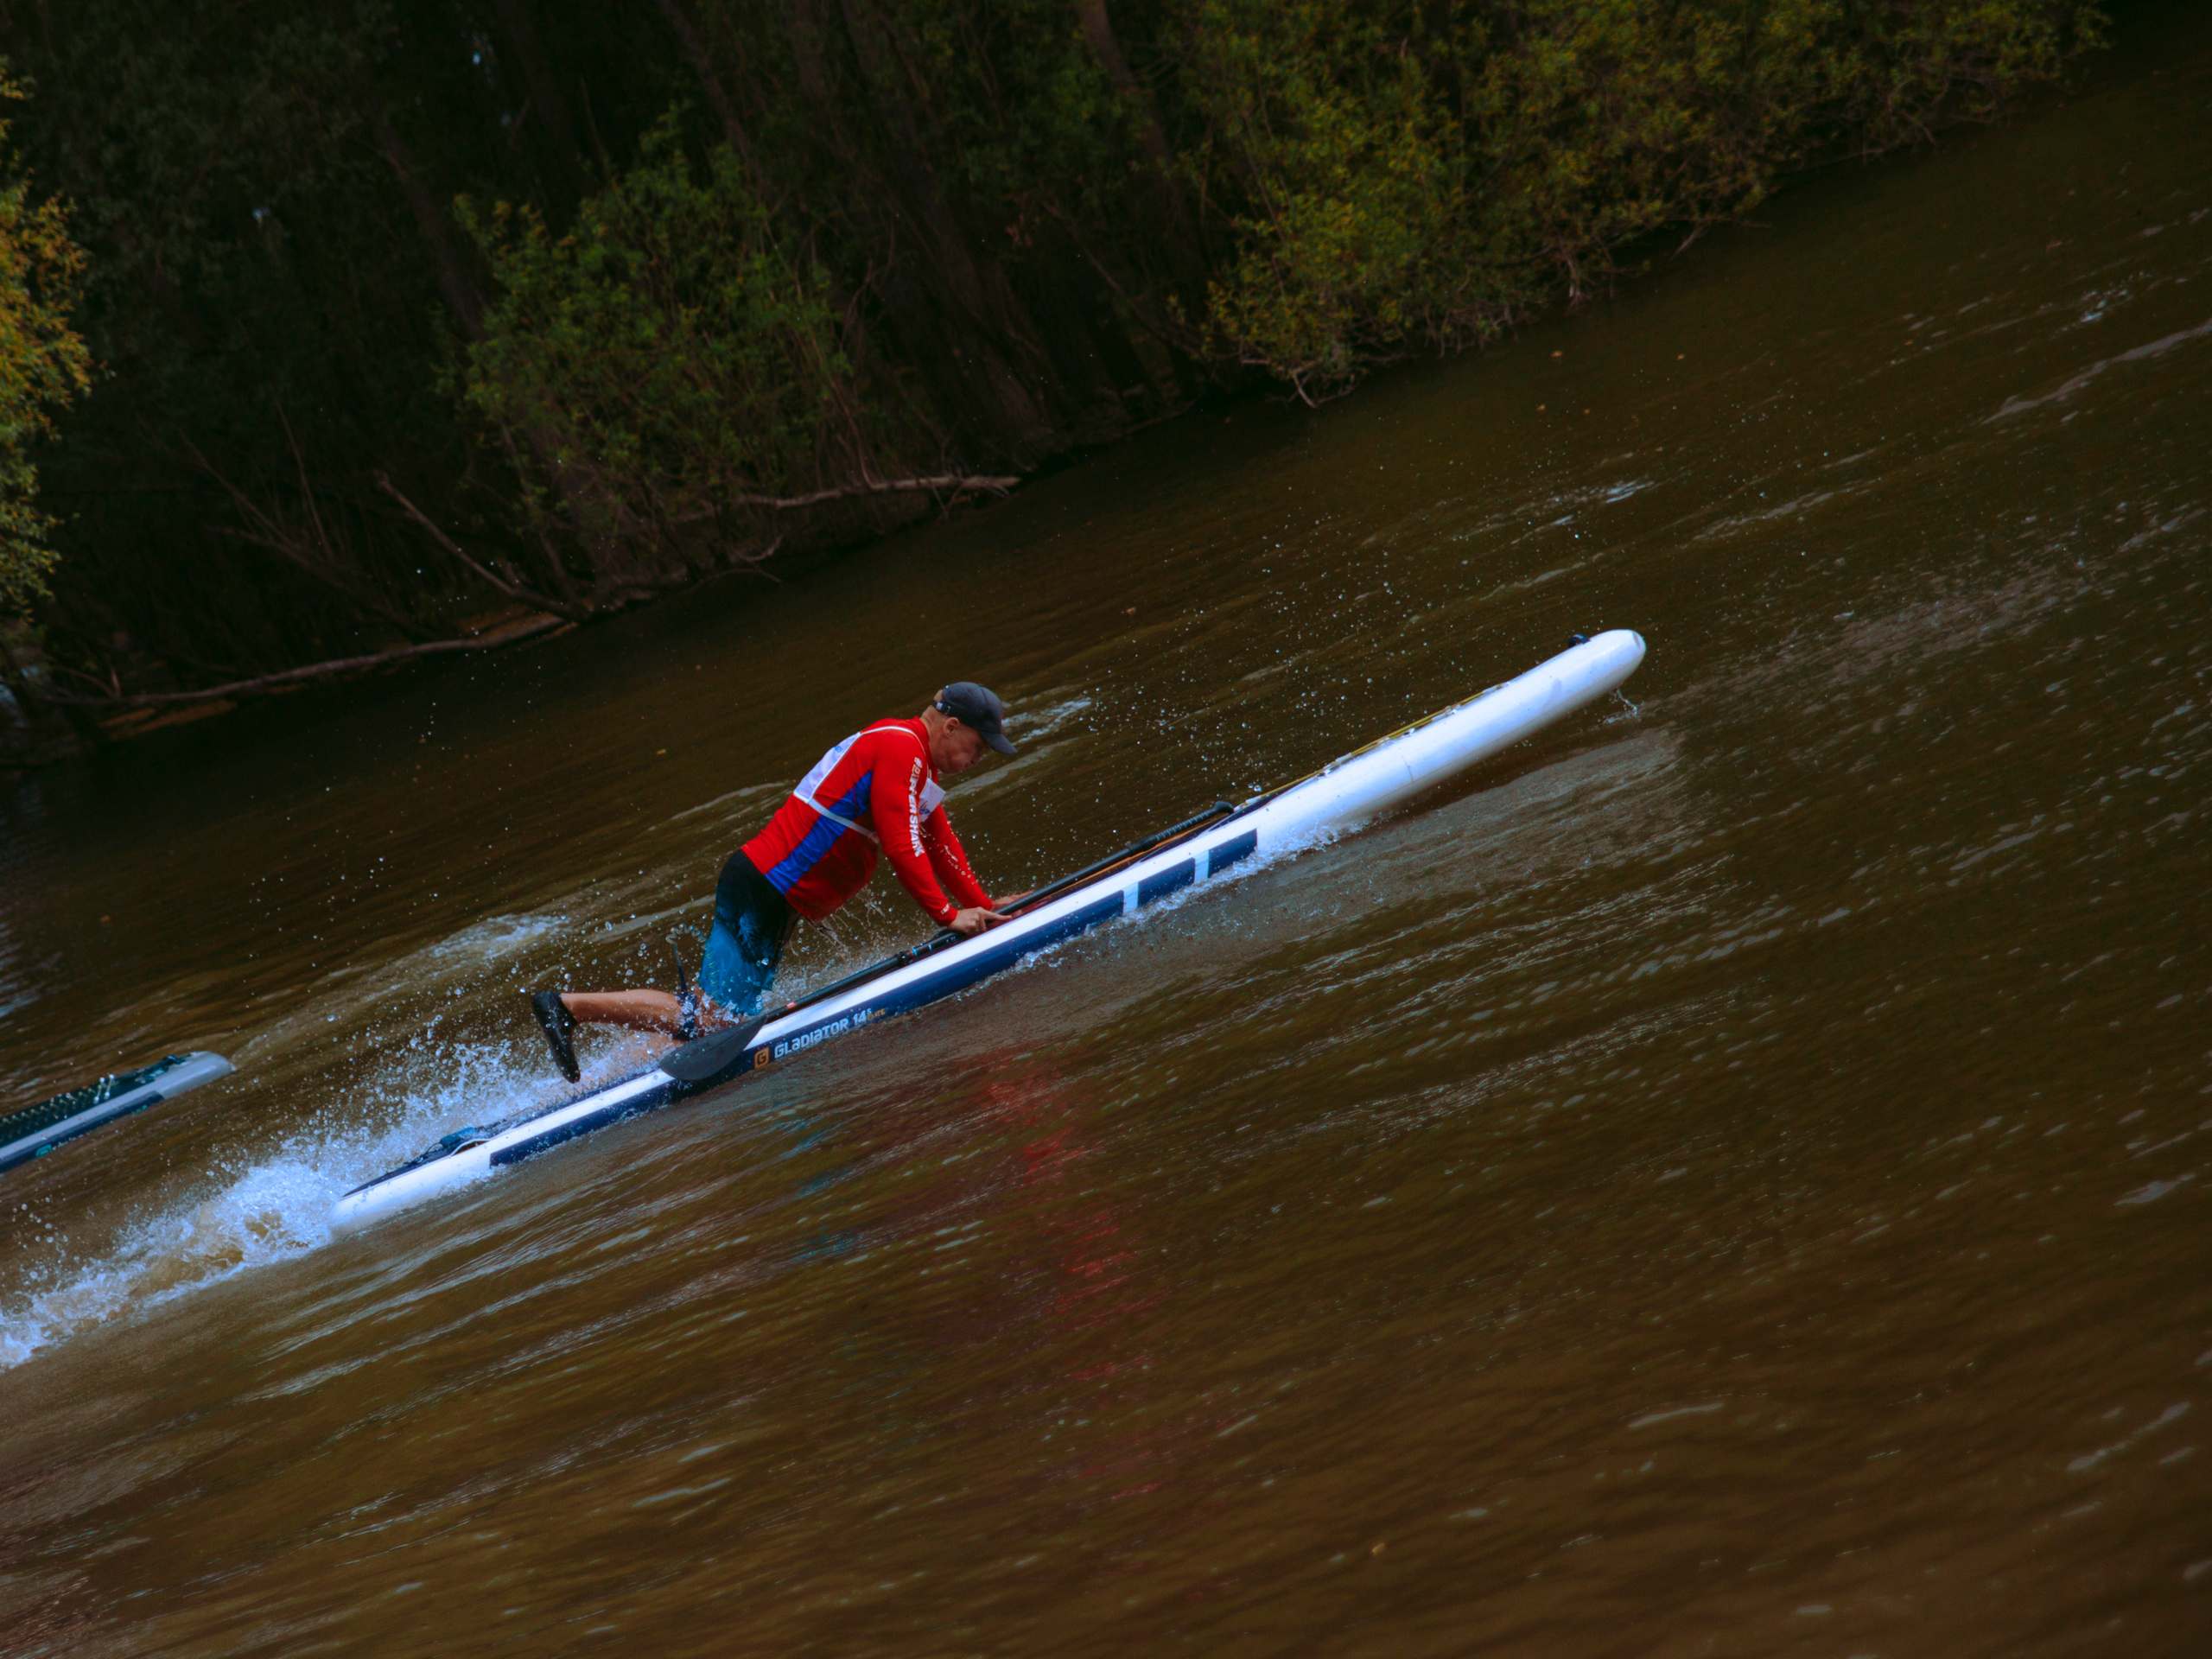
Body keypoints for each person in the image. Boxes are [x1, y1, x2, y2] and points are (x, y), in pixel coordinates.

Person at [529, 682, 1020, 1082]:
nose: (977, 759)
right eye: (977, 747)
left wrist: (984, 904)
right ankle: (568, 1008)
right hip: (764, 888)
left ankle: (608, 1085)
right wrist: (947, 916)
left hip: (769, 892)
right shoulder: (901, 748)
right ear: (951, 726)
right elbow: (901, 843)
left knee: (715, 1018)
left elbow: (938, 841)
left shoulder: (911, 758)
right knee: (712, 1019)